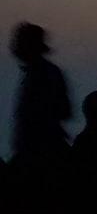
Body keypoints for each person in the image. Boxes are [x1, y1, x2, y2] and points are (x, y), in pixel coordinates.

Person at [10, 23, 71, 168]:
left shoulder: (43, 73)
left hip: (41, 152)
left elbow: (62, 110)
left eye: (20, 41)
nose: (14, 46)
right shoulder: (43, 72)